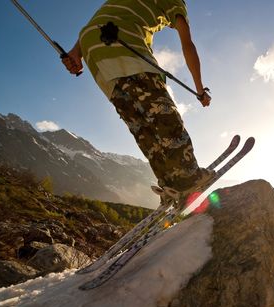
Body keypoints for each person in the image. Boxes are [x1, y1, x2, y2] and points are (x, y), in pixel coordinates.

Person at [62, 0, 213, 205]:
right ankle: (188, 177)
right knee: (163, 114)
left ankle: (169, 183)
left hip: (94, 51)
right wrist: (199, 88)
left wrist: (75, 53)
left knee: (142, 126)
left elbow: (96, 25)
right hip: (120, 40)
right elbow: (187, 44)